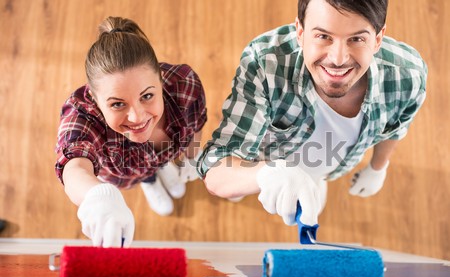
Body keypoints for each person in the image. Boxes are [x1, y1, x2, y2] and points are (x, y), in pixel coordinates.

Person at [198, 0, 427, 228]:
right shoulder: (265, 62)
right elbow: (217, 165)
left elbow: (396, 127)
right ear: (300, 32)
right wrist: (263, 176)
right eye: (323, 36)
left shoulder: (407, 76)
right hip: (260, 161)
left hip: (327, 169)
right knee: (236, 189)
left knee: (310, 197)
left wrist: (378, 168)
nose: (338, 59)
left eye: (356, 39)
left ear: (378, 39)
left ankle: (315, 179)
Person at [55, 17, 206, 247]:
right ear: (95, 99)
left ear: (161, 80)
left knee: (163, 162)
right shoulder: (81, 113)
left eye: (147, 96)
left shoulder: (185, 84)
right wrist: (98, 198)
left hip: (170, 154)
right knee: (145, 173)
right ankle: (150, 180)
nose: (137, 117)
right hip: (129, 172)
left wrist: (192, 157)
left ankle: (164, 166)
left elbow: (197, 124)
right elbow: (74, 166)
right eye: (117, 104)